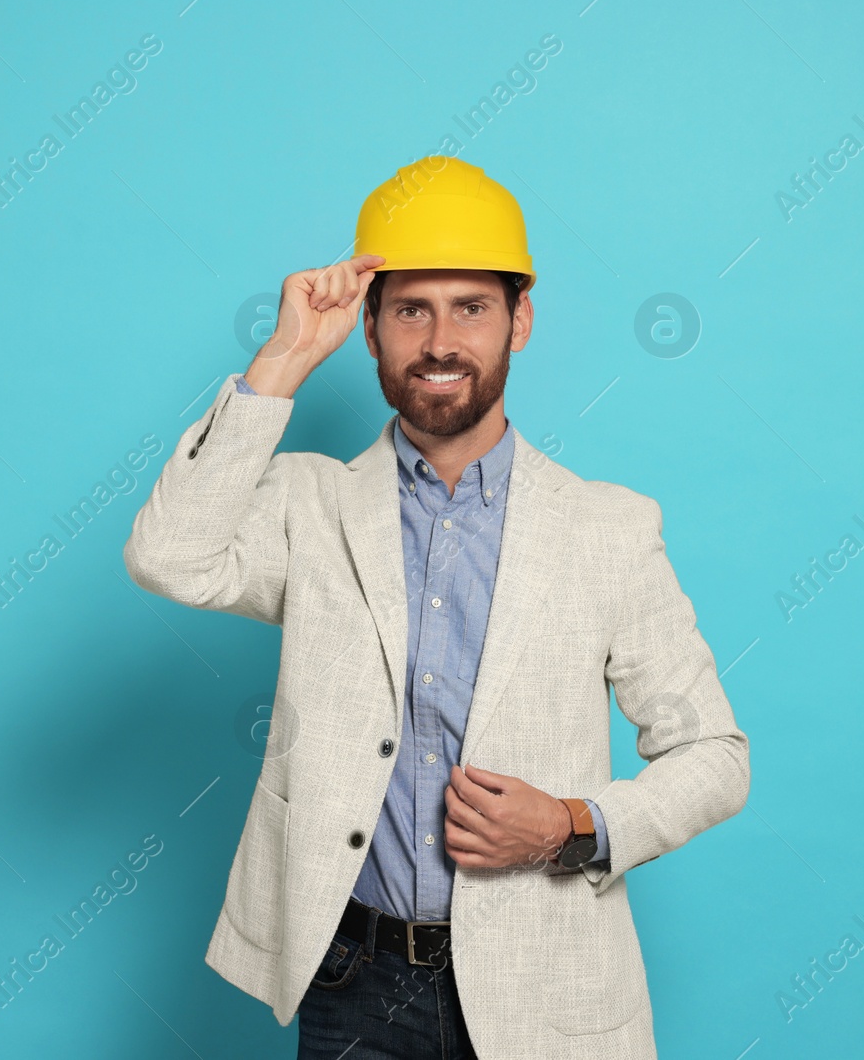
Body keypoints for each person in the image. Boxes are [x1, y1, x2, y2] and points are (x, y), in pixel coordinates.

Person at [123, 155, 750, 1060]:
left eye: (473, 307)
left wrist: (573, 824)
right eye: (411, 308)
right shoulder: (312, 505)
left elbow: (714, 757)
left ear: (519, 322)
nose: (441, 340)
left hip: (549, 982)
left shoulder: (608, 529)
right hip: (353, 985)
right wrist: (286, 357)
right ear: (370, 329)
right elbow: (168, 557)